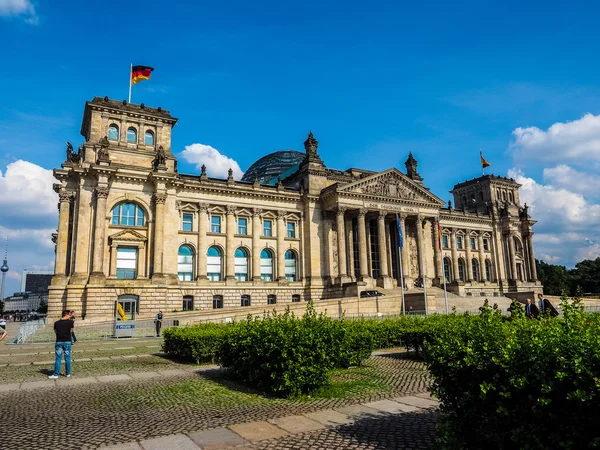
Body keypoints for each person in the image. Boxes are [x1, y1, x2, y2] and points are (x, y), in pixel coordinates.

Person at [49, 310, 74, 379]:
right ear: (66, 315)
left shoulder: (56, 323)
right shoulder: (70, 322)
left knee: (58, 359)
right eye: (69, 315)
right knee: (67, 358)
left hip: (59, 341)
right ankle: (68, 373)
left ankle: (56, 374)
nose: (70, 316)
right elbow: (71, 331)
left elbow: (55, 332)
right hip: (67, 342)